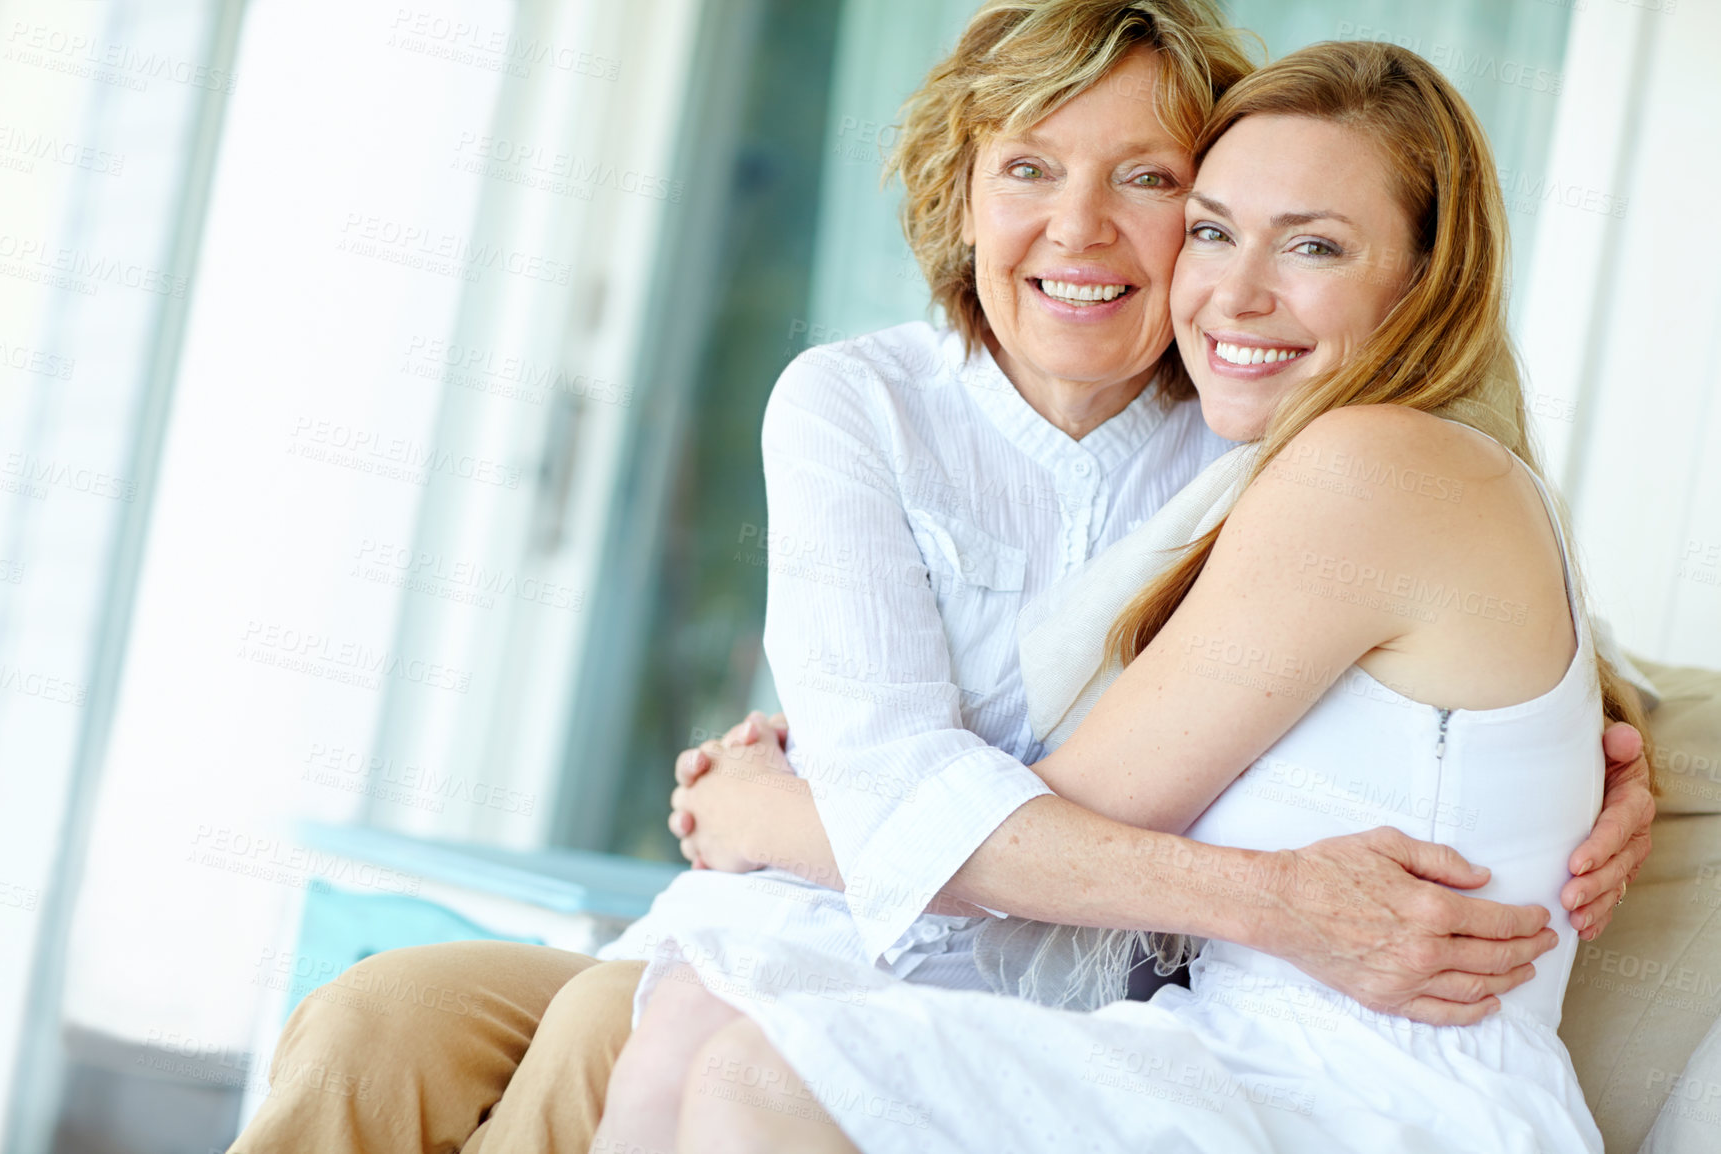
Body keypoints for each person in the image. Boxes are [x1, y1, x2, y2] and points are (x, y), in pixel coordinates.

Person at [227, 4, 1655, 1151]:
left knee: (660, 1038)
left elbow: (1447, 652)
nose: (1086, 231)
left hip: (1002, 967)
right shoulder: (869, 402)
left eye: (1151, 184)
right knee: (379, 1020)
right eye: (1029, 165)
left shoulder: (1254, 428)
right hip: (832, 921)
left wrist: (771, 812)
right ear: (960, 193)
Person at [636, 37, 1633, 1153]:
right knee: (713, 1047)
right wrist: (1617, 745)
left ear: (1424, 278)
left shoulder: (1361, 466)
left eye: (1312, 245)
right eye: (1213, 231)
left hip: (1374, 1102)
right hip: (1249, 1053)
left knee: (764, 1074)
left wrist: (763, 811)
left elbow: (1052, 830)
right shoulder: (1353, 461)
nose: (1236, 293)